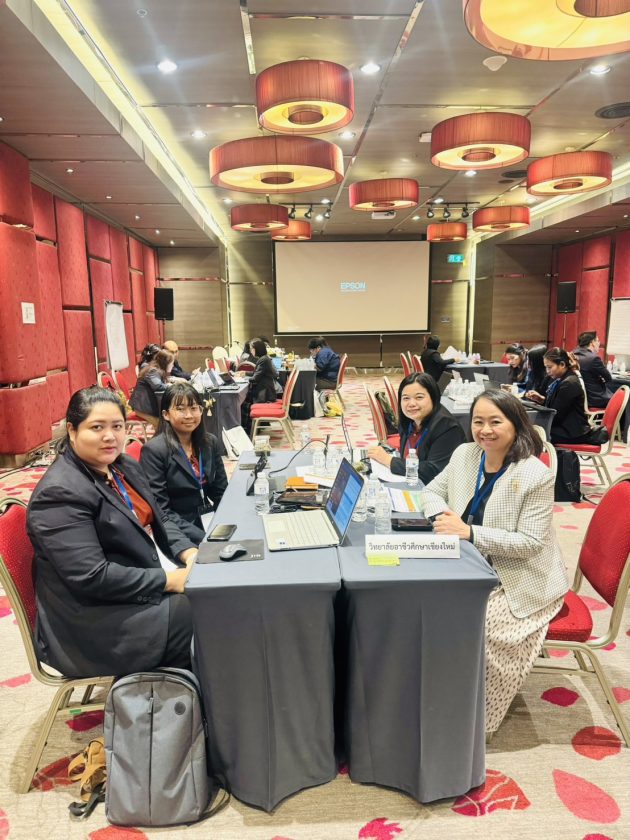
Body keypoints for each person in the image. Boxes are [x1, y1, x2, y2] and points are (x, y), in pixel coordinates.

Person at [420, 390, 569, 733]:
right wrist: (445, 518)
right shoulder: (465, 454)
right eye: (478, 421)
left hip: (521, 577)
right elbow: (431, 491)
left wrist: (469, 532)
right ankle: (438, 693)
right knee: (424, 605)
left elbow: (530, 544)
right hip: (468, 562)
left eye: (495, 422)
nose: (484, 430)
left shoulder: (535, 475)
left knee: (475, 628)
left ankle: (475, 723)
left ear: (516, 425)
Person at [26, 387, 198, 679]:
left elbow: (161, 518)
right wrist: (170, 580)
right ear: (72, 430)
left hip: (131, 585)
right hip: (94, 624)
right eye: (97, 427)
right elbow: (92, 577)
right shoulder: (59, 493)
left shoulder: (122, 466)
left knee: (214, 594)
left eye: (117, 426)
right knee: (205, 613)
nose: (110, 436)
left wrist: (189, 553)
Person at [140, 382, 228, 544]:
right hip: (176, 529)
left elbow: (220, 491)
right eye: (180, 409)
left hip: (207, 518)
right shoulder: (154, 451)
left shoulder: (209, 442)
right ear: (166, 414)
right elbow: (162, 511)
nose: (189, 415)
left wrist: (228, 521)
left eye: (194, 408)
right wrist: (205, 537)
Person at [368, 372, 465, 482]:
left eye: (419, 397)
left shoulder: (447, 427)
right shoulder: (408, 420)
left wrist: (389, 461)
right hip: (411, 482)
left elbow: (433, 471)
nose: (411, 404)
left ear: (433, 397)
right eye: (406, 398)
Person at [526, 347, 606, 445]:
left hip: (572, 432)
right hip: (565, 427)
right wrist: (542, 400)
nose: (547, 371)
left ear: (562, 364)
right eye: (546, 367)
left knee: (531, 433)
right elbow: (558, 407)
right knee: (531, 430)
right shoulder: (562, 379)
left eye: (549, 367)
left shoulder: (569, 383)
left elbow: (556, 415)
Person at [130, 348, 174, 426]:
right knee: (162, 424)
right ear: (166, 363)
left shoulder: (156, 369)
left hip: (146, 406)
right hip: (142, 408)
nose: (172, 366)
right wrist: (170, 385)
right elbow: (158, 386)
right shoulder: (152, 371)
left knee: (166, 418)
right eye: (172, 363)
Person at [572, 331, 614, 409]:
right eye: (597, 340)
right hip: (595, 398)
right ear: (592, 343)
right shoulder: (593, 358)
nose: (599, 343)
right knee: (623, 400)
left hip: (578, 398)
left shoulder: (572, 355)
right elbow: (608, 378)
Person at [249, 337, 279, 403]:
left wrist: (243, 379)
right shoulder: (264, 358)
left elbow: (255, 378)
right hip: (265, 391)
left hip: (265, 395)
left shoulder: (263, 360)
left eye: (251, 349)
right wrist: (244, 373)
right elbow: (256, 373)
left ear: (257, 349)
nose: (251, 351)